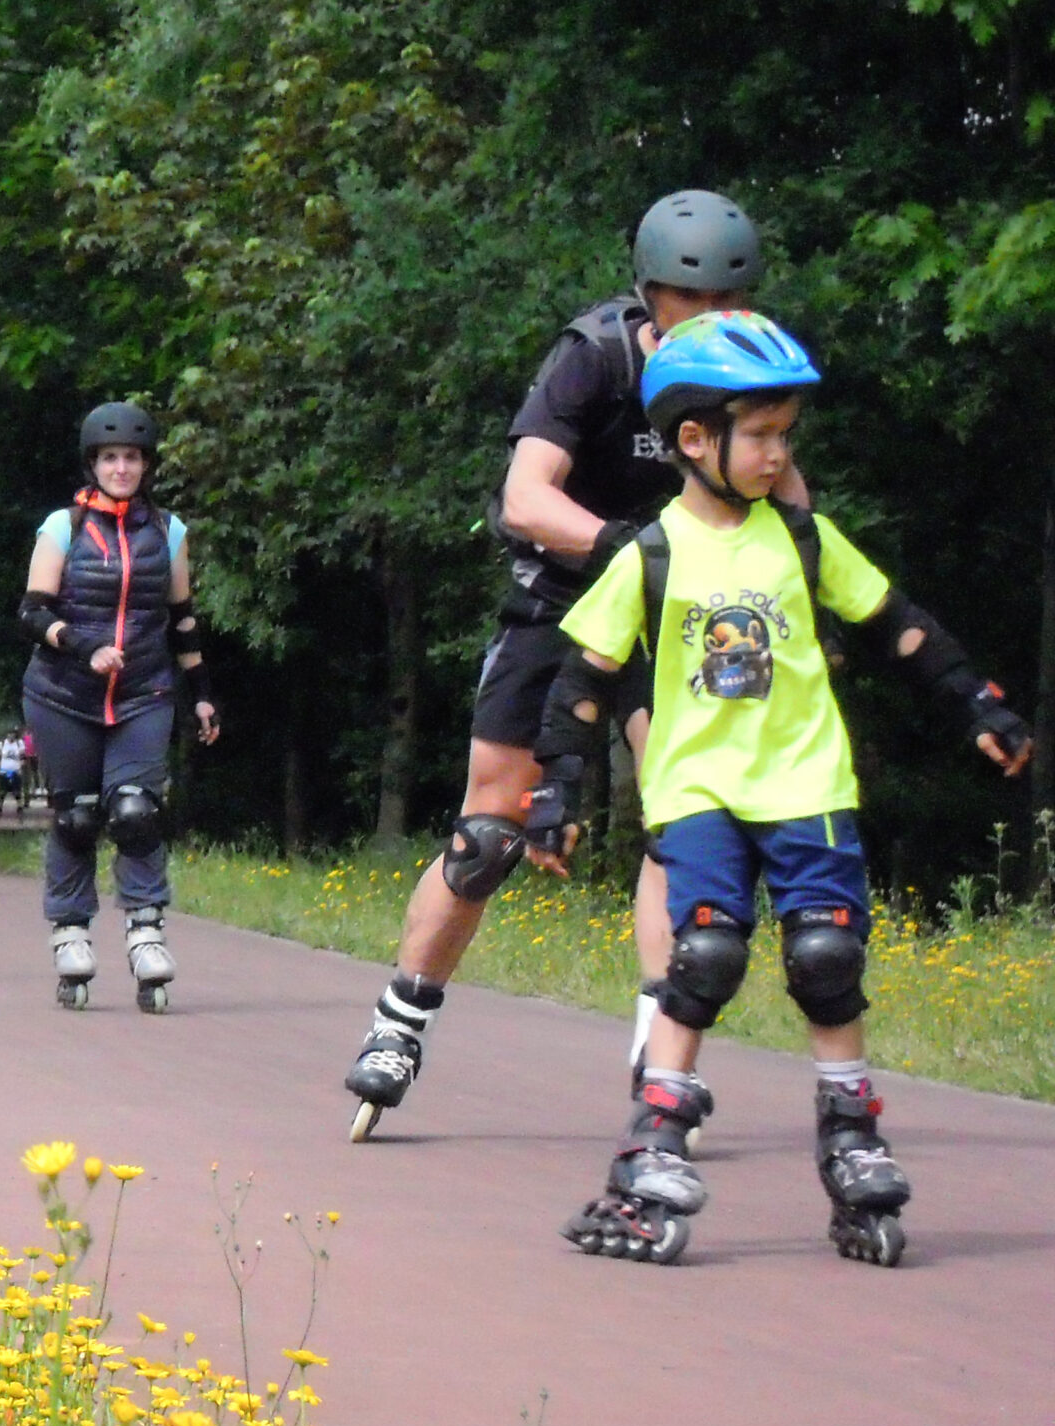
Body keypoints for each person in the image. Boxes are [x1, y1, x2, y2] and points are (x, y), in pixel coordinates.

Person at [526, 311, 1031, 1266]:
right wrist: (553, 791)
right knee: (706, 955)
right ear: (693, 439)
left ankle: (852, 1137)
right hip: (698, 791)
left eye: (784, 433)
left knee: (827, 959)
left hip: (807, 783)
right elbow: (583, 682)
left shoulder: (801, 538)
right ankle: (651, 1152)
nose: (776, 452)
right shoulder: (649, 552)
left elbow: (897, 624)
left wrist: (978, 704)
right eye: (758, 434)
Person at [344, 190, 813, 1137]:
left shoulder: (743, 364)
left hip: (674, 615)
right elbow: (525, 496)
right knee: (490, 834)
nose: (715, 325)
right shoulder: (594, 356)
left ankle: (656, 1045)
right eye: (695, 306)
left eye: (732, 304)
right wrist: (632, 550)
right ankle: (401, 1017)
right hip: (563, 598)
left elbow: (788, 498)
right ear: (651, 296)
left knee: (684, 819)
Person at [19, 401, 221, 1013]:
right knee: (77, 817)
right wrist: (85, 648)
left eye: (132, 458)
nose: (122, 468)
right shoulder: (64, 527)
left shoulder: (168, 531)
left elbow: (181, 620)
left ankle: (146, 932)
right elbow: (32, 613)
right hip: (63, 694)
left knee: (136, 811)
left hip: (143, 692)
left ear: (146, 465)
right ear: (93, 464)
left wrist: (204, 694)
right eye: (111, 458)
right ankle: (71, 933)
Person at [0, 730, 26, 820]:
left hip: (15, 770)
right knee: (1, 792)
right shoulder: (2, 744)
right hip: (4, 771)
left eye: (13, 734)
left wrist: (21, 769)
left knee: (17, 792)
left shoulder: (19, 744)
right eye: (9, 734)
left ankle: (20, 808)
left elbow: (23, 757)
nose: (11, 736)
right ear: (7, 735)